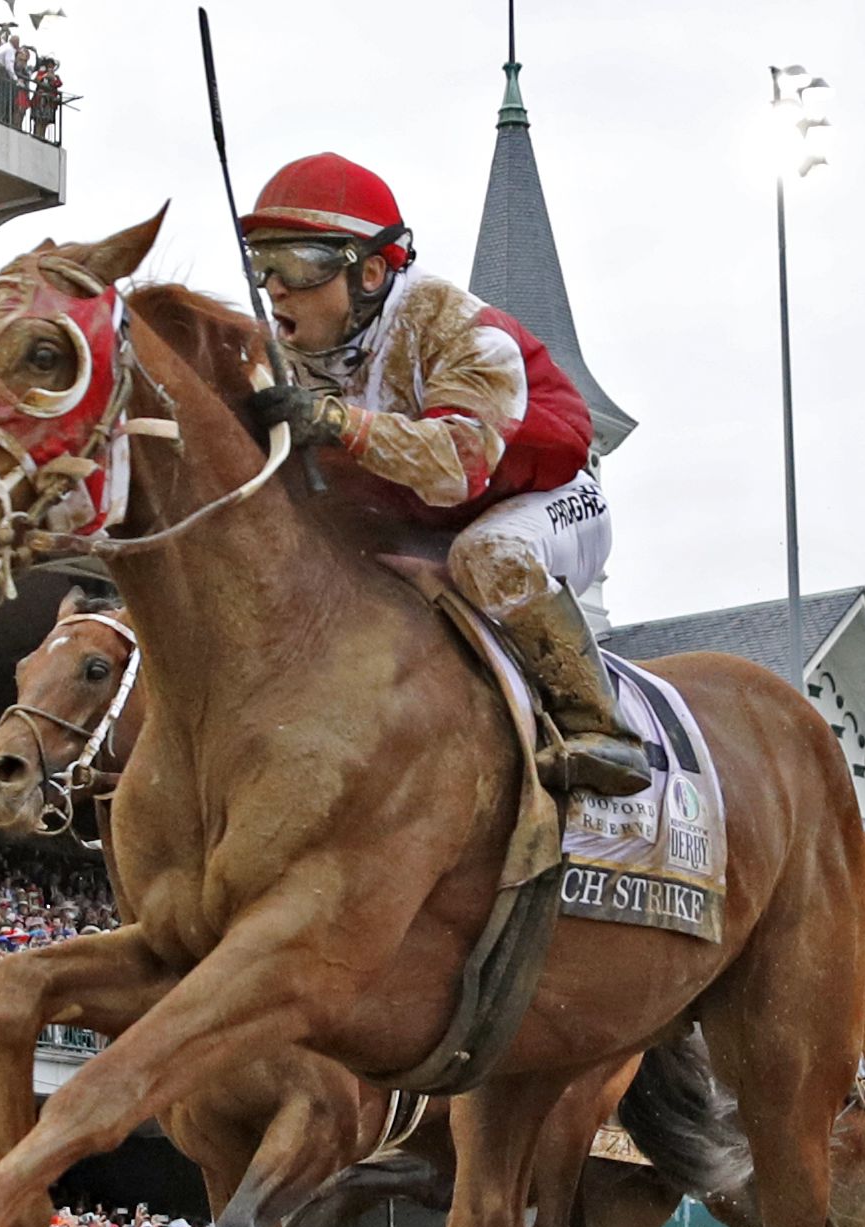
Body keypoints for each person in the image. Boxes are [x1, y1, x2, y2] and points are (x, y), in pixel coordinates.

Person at [235, 152, 646, 796]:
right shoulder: (288, 357)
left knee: (490, 552)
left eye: (296, 265)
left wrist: (340, 423)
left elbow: (459, 467)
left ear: (371, 272)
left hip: (546, 500)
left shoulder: (459, 328)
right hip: (426, 524)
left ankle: (602, 728)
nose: (275, 287)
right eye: (264, 266)